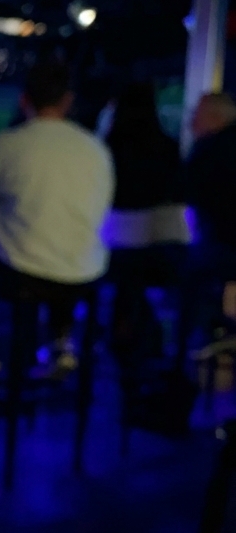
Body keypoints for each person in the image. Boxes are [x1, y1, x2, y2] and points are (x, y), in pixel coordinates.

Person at [0, 61, 114, 383]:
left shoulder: (11, 144)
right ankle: (61, 345)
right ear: (67, 101)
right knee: (58, 255)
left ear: (24, 100)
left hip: (23, 274)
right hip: (86, 273)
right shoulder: (95, 148)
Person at [103, 83, 189, 365]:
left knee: (126, 281)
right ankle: (150, 347)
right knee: (136, 282)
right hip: (163, 248)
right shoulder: (168, 146)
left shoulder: (108, 147)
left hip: (117, 247)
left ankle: (125, 341)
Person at [181, 91, 236, 359]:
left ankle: (193, 350)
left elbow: (184, 194)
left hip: (222, 252)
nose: (190, 121)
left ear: (214, 119)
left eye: (196, 115)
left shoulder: (209, 151)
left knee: (187, 272)